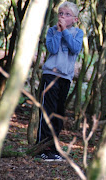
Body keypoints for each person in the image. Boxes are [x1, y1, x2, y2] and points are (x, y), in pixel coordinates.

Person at [35, 1, 84, 161]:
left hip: (65, 78)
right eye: (61, 14)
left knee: (58, 113)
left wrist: (65, 32)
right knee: (47, 112)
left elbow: (75, 48)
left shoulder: (78, 33)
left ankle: (53, 147)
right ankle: (42, 147)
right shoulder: (52, 31)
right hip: (50, 75)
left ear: (75, 19)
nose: (62, 17)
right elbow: (53, 49)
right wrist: (58, 31)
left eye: (67, 14)